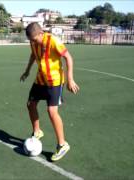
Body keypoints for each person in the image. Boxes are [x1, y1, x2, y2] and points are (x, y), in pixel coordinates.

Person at [20, 22, 80, 161]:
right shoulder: (33, 42)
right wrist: (27, 71)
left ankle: (62, 145)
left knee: (52, 111)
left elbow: (68, 58)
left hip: (55, 82)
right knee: (30, 104)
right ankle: (37, 131)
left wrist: (70, 79)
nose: (32, 42)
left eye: (34, 39)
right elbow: (33, 55)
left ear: (41, 34)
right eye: (30, 40)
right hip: (40, 79)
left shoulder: (53, 40)